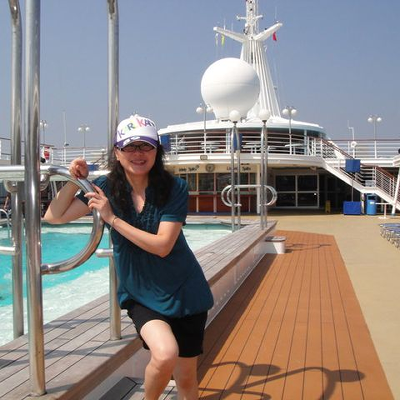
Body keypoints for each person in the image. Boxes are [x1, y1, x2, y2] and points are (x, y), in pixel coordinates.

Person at [44, 114, 214, 400]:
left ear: (157, 151)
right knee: (165, 354)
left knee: (186, 378)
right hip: (141, 294)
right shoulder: (107, 188)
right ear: (117, 152)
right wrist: (76, 181)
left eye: (146, 146)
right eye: (130, 146)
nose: (138, 153)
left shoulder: (174, 188)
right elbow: (54, 216)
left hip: (186, 292)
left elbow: (163, 246)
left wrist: (112, 218)